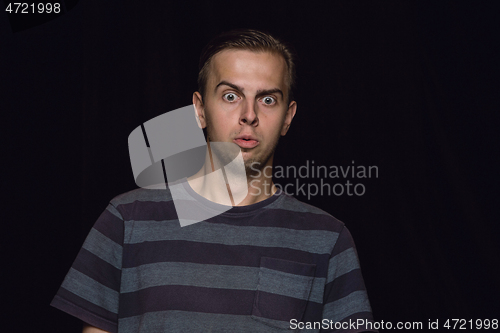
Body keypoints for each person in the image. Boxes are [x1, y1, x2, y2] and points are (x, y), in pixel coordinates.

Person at [51, 29, 377, 333]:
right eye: (231, 96)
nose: (249, 114)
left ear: (288, 117)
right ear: (200, 110)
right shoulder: (127, 220)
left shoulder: (328, 239)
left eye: (267, 99)